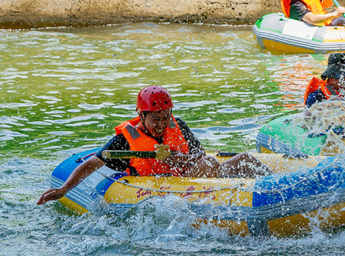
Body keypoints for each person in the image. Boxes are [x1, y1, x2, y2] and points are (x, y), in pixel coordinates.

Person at [37, 86, 271, 206]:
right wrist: (65, 189)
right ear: (141, 115)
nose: (161, 125)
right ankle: (241, 195)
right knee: (209, 164)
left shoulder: (177, 125)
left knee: (244, 159)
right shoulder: (124, 141)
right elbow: (93, 164)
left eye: (165, 117)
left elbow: (199, 153)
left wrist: (180, 159)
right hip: (156, 184)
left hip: (189, 174)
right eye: (155, 119)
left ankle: (278, 187)